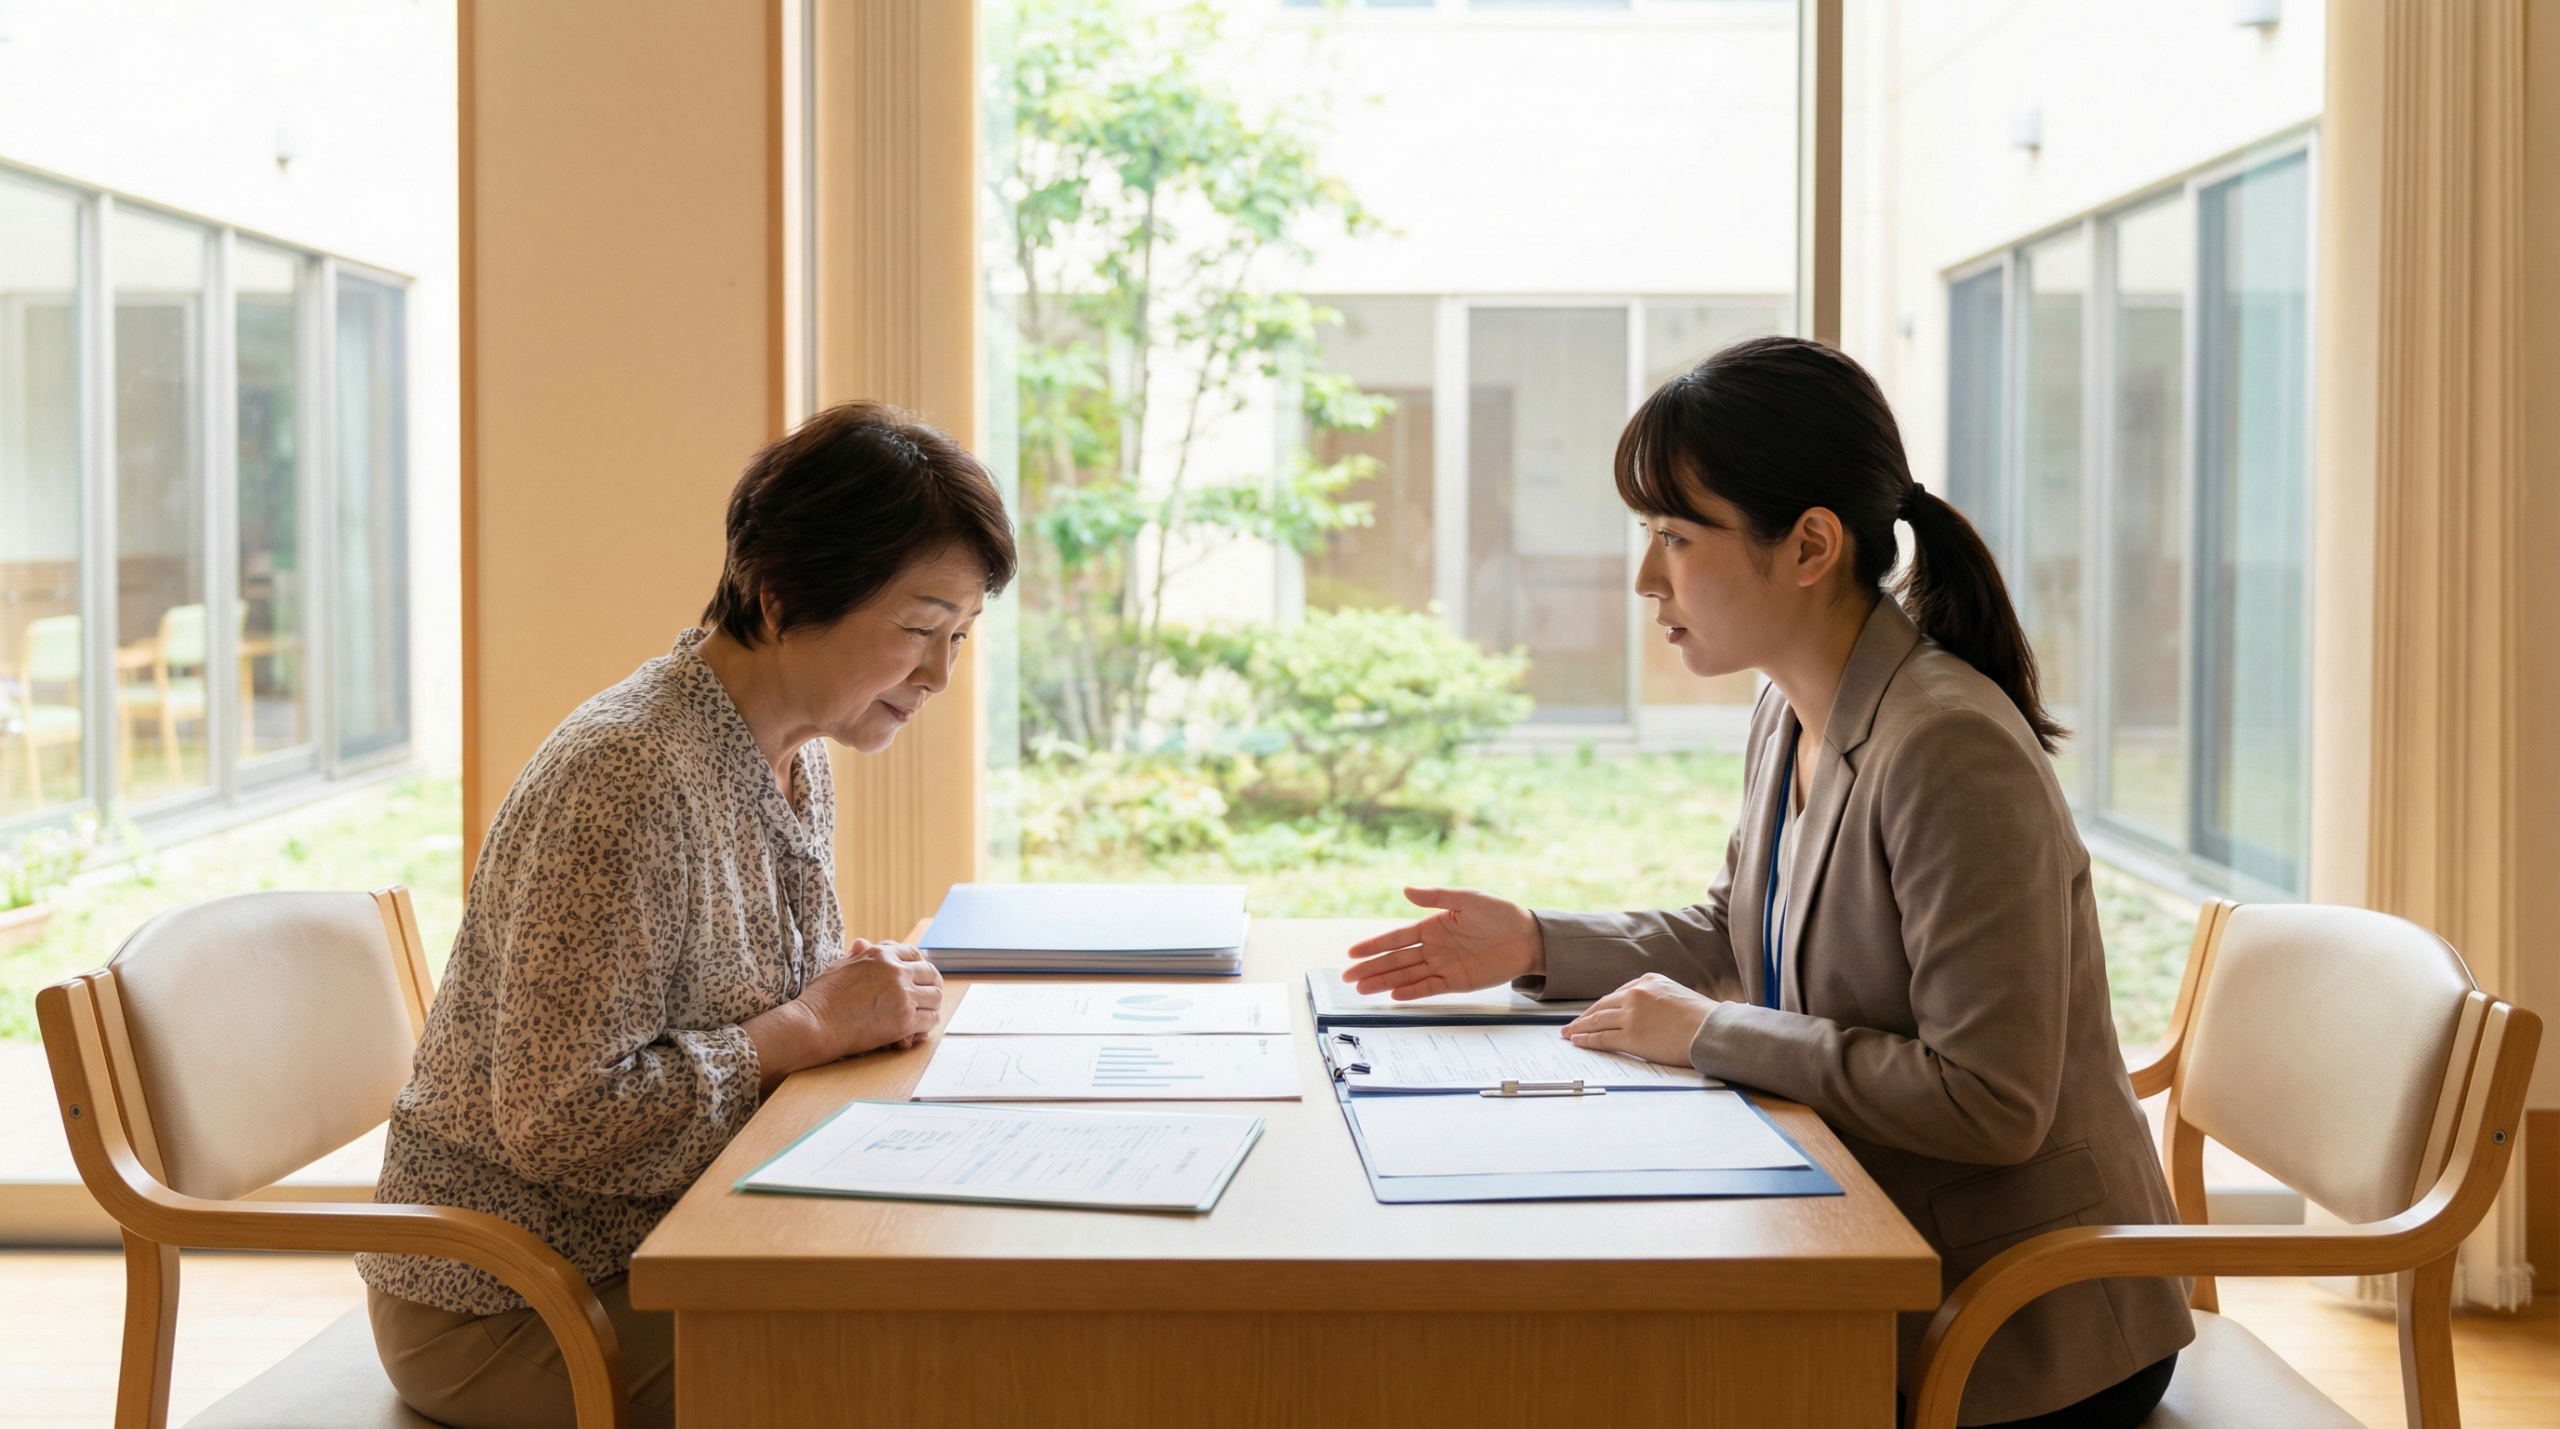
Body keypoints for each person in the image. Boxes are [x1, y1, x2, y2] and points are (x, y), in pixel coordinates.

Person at [1344, 337, 2192, 1428]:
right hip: (1860, 1242)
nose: (1646, 578)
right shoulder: (1790, 707)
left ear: (1809, 547)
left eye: (1675, 537)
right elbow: (1738, 927)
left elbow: (1989, 1101)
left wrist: (1709, 1033)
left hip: (2015, 1331)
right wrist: (1535, 943)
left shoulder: (1949, 747)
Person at [359, 401, 1016, 1428]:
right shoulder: (627, 772)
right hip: (521, 1299)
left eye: (960, 637)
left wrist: (846, 1004)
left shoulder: (790, 751)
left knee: (975, 1295)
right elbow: (558, 1117)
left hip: (680, 1239)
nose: (939, 676)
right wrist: (812, 1023)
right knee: (931, 1361)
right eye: (920, 631)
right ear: (784, 596)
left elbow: (737, 1002)